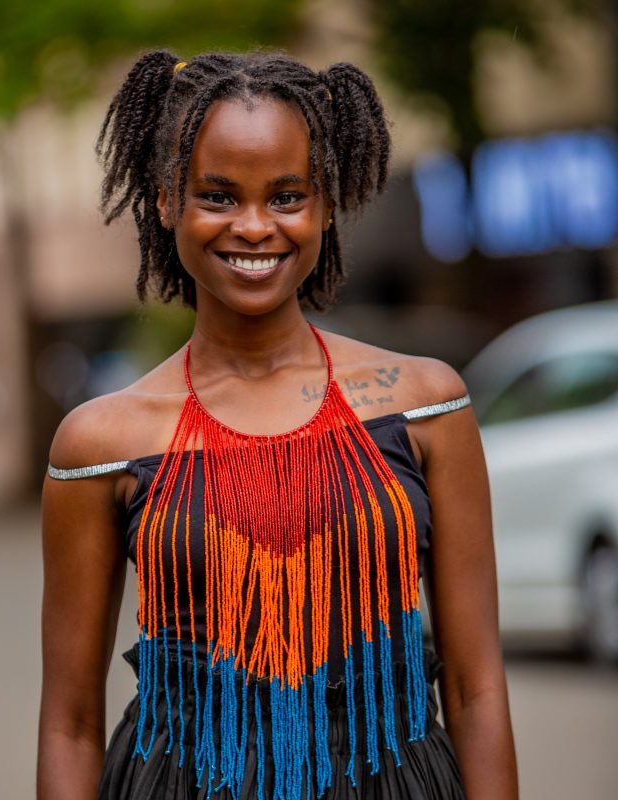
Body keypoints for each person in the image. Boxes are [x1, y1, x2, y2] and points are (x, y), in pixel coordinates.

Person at [37, 50, 518, 800]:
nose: (255, 227)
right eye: (219, 196)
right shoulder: (101, 442)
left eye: (287, 196)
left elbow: (475, 687)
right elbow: (69, 722)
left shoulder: (425, 404)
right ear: (166, 201)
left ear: (326, 204)